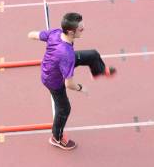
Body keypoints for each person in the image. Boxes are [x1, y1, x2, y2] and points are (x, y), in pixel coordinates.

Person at [28, 12, 116, 150]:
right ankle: (56, 138)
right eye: (81, 29)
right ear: (70, 31)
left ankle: (98, 71)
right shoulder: (67, 55)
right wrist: (82, 88)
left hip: (56, 63)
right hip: (53, 80)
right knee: (64, 109)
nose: (83, 30)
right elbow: (69, 84)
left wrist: (34, 36)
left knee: (93, 54)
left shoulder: (56, 33)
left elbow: (31, 34)